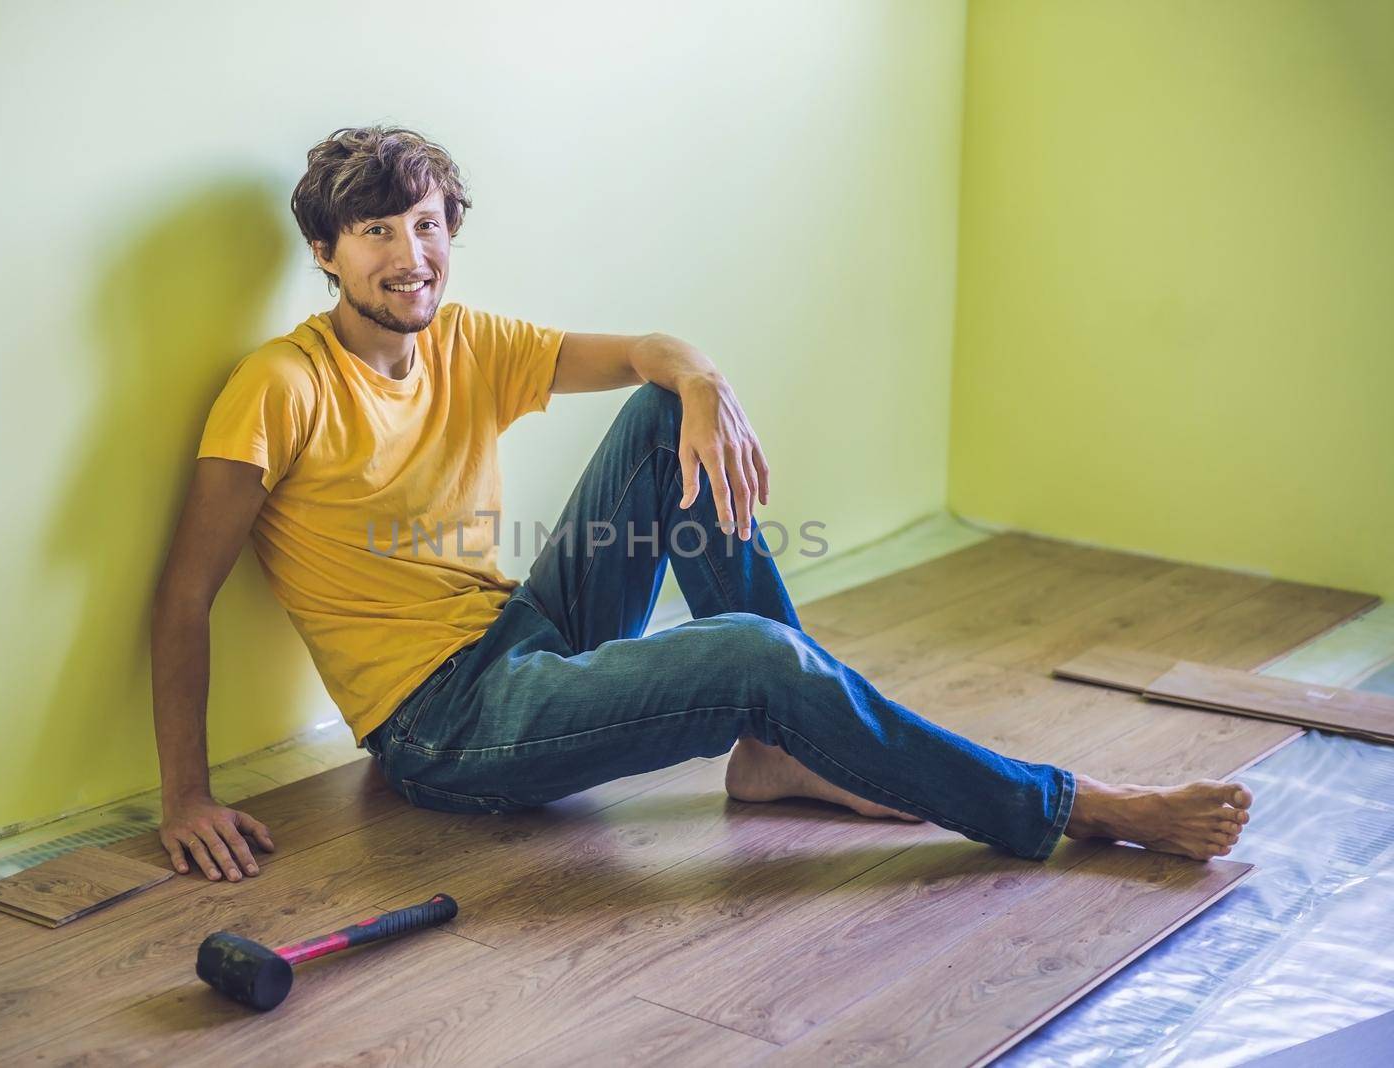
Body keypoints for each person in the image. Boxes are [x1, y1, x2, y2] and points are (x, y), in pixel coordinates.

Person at [151, 125, 1252, 883]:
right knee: (751, 657)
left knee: (654, 412)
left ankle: (787, 753)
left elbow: (646, 352)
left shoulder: (469, 340)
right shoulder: (279, 388)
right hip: (444, 728)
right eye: (379, 232)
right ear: (325, 253)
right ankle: (1070, 807)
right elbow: (185, 598)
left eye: (428, 224)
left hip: (520, 634)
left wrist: (702, 383)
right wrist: (187, 800)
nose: (412, 255)